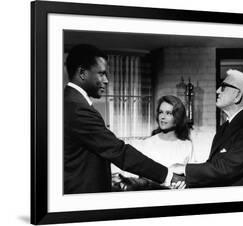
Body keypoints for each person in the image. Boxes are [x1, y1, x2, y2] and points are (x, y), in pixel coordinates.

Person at [64, 44, 183, 194]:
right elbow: (119, 151)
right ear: (82, 73)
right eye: (101, 74)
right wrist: (169, 176)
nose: (106, 80)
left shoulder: (70, 102)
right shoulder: (77, 108)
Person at [171, 69, 243, 188]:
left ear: (237, 95)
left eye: (223, 87)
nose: (217, 91)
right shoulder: (225, 127)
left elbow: (227, 168)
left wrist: (185, 169)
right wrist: (186, 179)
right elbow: (213, 166)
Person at [114, 95, 193, 190]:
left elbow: (191, 176)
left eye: (168, 113)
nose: (163, 117)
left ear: (178, 117)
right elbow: (136, 177)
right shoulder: (147, 144)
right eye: (161, 112)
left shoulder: (187, 145)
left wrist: (184, 183)